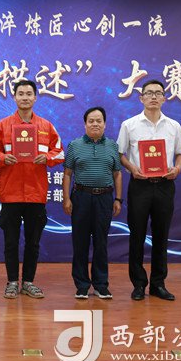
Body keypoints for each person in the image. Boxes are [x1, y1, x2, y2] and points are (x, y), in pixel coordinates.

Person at [0, 80, 64, 299]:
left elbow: (60, 153)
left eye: (29, 93)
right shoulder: (3, 126)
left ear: (35, 97)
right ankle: (12, 281)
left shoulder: (46, 126)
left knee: (33, 242)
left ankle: (28, 282)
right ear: (14, 97)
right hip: (10, 194)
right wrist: (4, 158)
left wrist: (46, 157)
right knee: (10, 242)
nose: (25, 97)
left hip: (36, 194)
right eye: (21, 93)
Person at [117, 79, 181, 301]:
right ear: (141, 98)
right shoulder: (129, 125)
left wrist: (177, 168)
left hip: (165, 185)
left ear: (164, 98)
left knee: (161, 235)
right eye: (149, 93)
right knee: (136, 235)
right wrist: (132, 168)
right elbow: (120, 154)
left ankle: (158, 284)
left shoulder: (174, 126)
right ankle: (139, 284)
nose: (154, 97)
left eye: (158, 93)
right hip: (140, 186)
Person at [62, 107, 122, 300]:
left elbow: (117, 174)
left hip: (105, 198)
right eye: (91, 121)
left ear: (105, 124)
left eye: (99, 121)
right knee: (80, 242)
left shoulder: (112, 146)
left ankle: (101, 285)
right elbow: (67, 173)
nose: (95, 124)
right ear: (85, 124)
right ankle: (81, 285)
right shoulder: (75, 145)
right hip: (81, 197)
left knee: (101, 242)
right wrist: (66, 198)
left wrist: (118, 199)